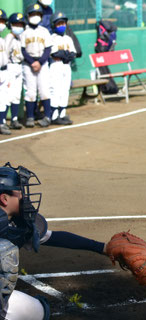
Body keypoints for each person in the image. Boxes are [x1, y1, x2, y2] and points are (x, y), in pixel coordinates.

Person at [0, 162, 107, 319]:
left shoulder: (17, 222)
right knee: (5, 253)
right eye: (19, 192)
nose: (24, 196)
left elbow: (55, 237)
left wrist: (103, 247)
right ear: (4, 198)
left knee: (39, 311)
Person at [21, 4, 53, 128]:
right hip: (28, 64)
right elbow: (23, 50)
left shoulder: (44, 31)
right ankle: (30, 116)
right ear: (28, 16)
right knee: (31, 91)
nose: (35, 17)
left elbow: (48, 49)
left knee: (44, 90)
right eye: (33, 14)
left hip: (42, 63)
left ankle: (47, 116)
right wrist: (32, 62)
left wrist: (40, 62)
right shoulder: (24, 32)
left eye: (38, 14)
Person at [49, 12, 75, 125]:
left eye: (63, 23)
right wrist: (65, 53)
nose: (62, 25)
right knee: (56, 90)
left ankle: (62, 114)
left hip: (66, 66)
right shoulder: (52, 38)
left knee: (65, 90)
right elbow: (55, 54)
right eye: (59, 23)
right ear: (54, 25)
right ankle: (54, 116)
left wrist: (65, 54)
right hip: (56, 65)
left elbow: (73, 53)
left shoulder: (68, 38)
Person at [5, 12, 27, 132]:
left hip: (19, 67)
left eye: (20, 24)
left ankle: (14, 120)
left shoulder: (19, 38)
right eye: (16, 24)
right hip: (10, 67)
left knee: (16, 96)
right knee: (8, 96)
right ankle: (2, 121)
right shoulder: (9, 38)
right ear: (11, 25)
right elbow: (5, 55)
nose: (18, 26)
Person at [0, 8, 10, 135]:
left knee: (3, 99)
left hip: (4, 72)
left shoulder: (2, 40)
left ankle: (1, 122)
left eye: (2, 21)